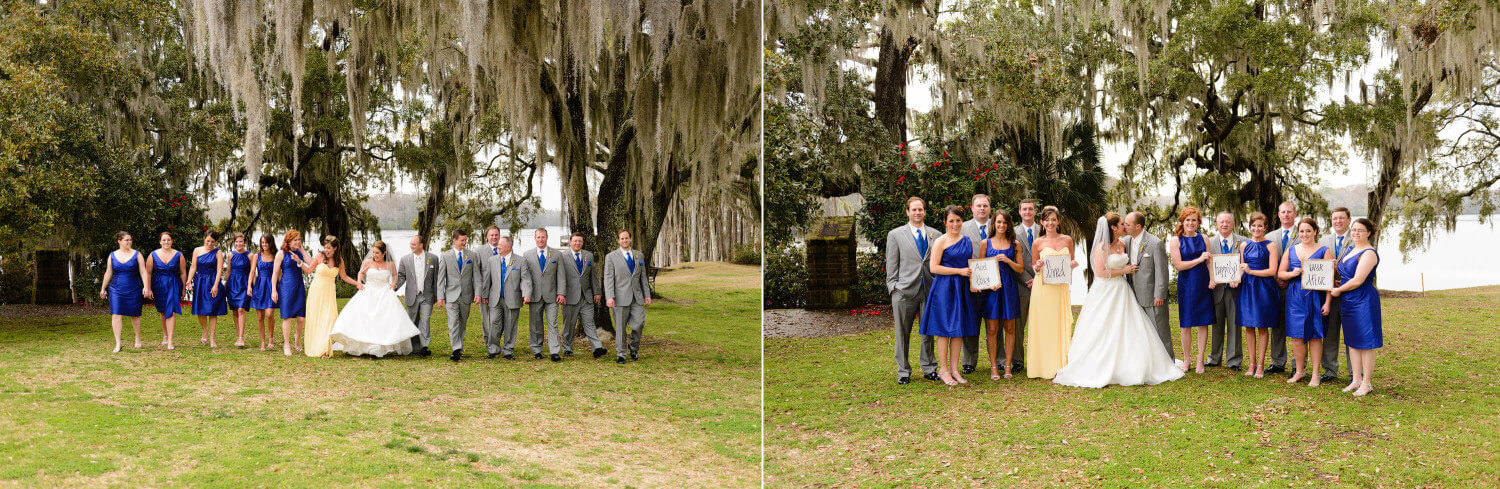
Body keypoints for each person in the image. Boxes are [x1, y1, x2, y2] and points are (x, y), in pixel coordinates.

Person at [1054, 213, 1185, 388]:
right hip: (1105, 291)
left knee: (1130, 326)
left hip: (1123, 290)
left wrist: (1129, 273)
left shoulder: (1124, 243)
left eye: (1127, 223)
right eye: (1122, 223)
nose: (1124, 226)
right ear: (1113, 227)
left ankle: (1136, 362)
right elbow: (1100, 272)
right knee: (1103, 327)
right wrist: (1125, 270)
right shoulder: (1102, 247)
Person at [884, 197, 940, 384]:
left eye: (920, 209)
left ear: (925, 211)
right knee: (902, 333)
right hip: (904, 292)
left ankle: (929, 367)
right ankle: (903, 371)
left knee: (928, 333)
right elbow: (891, 264)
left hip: (929, 290)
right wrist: (893, 288)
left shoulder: (936, 235)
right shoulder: (896, 235)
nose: (917, 212)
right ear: (907, 212)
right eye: (914, 210)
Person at [330, 240, 419, 357]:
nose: (375, 255)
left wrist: (394, 284)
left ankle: (380, 347)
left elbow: (395, 275)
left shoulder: (390, 264)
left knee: (383, 319)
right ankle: (366, 346)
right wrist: (359, 283)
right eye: (373, 253)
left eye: (377, 253)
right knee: (367, 319)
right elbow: (360, 274)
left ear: (384, 253)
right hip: (369, 292)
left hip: (384, 293)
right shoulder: (368, 262)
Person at [920, 206, 977, 386]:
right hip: (944, 289)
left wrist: (975, 283)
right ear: (945, 222)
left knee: (959, 330)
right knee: (944, 331)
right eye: (951, 220)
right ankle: (943, 370)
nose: (955, 224)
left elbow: (971, 266)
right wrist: (959, 271)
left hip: (962, 288)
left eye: (958, 220)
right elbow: (934, 268)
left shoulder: (967, 241)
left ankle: (954, 369)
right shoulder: (940, 241)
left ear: (962, 221)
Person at [1330, 218, 1381, 396]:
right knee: (1352, 341)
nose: (1356, 233)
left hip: (1363, 300)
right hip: (1348, 299)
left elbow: (1358, 280)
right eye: (1353, 230)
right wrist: (1338, 278)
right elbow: (1347, 275)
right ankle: (1356, 380)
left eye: (1360, 230)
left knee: (1366, 342)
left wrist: (1338, 290)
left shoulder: (1369, 253)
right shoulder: (1351, 249)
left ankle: (1366, 383)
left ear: (1369, 232)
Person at [1026, 206, 1076, 380]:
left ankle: (1061, 363)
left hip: (1060, 287)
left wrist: (1073, 266)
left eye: (1053, 219)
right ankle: (1041, 366)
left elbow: (1070, 261)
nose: (1050, 223)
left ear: (1059, 221)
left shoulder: (1067, 240)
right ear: (1041, 222)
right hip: (1043, 288)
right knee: (1044, 324)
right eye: (1047, 219)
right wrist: (1037, 267)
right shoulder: (1038, 242)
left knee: (1058, 323)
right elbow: (1034, 266)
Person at [1278, 218, 1330, 386]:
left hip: (1315, 297)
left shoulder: (1324, 251)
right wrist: (1293, 273)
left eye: (1308, 230)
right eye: (1301, 231)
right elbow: (1280, 273)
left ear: (1315, 231)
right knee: (1296, 336)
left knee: (1314, 336)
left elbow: (1329, 279)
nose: (1304, 234)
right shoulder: (1291, 250)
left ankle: (1315, 374)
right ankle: (1299, 371)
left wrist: (1327, 302)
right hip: (1295, 297)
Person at [972, 211, 1022, 380]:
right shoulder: (985, 243)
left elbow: (1020, 269)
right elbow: (979, 270)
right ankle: (993, 366)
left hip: (1009, 289)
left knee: (1010, 328)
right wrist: (987, 285)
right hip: (991, 291)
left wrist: (1008, 261)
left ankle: (1007, 366)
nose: (1001, 225)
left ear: (1009, 225)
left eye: (1005, 222)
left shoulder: (1015, 244)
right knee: (992, 329)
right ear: (994, 223)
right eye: (998, 222)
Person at [1121, 212, 1172, 359]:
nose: (1125, 227)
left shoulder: (1155, 243)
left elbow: (1162, 271)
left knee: (1160, 330)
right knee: (1140, 331)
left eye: (1128, 224)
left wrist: (1159, 295)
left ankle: (1168, 361)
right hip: (1132, 295)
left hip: (1152, 296)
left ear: (1138, 226)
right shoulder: (1125, 241)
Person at [1170, 206, 1214, 373]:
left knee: (1203, 323)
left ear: (1198, 222)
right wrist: (1199, 259)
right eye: (1188, 220)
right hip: (1187, 284)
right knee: (1186, 323)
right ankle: (1187, 359)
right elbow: (1179, 265)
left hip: (1203, 282)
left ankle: (1200, 360)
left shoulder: (1204, 238)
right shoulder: (1176, 240)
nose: (1190, 223)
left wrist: (1212, 279)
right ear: (1183, 221)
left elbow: (1209, 261)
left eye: (1194, 220)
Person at [302, 236, 361, 357]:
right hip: (316, 292)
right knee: (317, 319)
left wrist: (357, 283)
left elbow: (344, 277)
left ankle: (325, 348)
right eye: (325, 247)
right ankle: (318, 347)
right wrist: (299, 262)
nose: (326, 250)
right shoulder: (319, 257)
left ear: (335, 248)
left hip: (329, 294)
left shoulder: (339, 260)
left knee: (329, 320)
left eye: (329, 248)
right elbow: (308, 271)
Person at [1237, 212, 1281, 378]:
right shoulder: (1243, 246)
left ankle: (1261, 365)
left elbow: (1272, 271)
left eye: (1260, 226)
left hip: (1263, 288)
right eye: (1253, 226)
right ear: (1250, 227)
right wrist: (1236, 279)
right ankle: (1251, 363)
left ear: (1265, 227)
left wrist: (1251, 271)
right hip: (1247, 288)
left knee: (1262, 326)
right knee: (1248, 326)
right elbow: (1242, 269)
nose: (1256, 229)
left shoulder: (1271, 246)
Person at [1316, 207, 1354, 382]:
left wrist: (1344, 282)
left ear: (1349, 219)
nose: (1338, 221)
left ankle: (1355, 372)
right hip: (1328, 294)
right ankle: (1330, 370)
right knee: (1329, 333)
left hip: (1350, 294)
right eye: (1335, 218)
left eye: (1341, 218)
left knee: (1351, 334)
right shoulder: (1324, 240)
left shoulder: (1356, 239)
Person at [604, 229, 652, 363]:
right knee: (620, 328)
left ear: (630, 239)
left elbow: (643, 277)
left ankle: (634, 347)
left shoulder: (639, 255)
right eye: (622, 238)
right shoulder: (611, 257)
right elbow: (608, 279)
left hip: (637, 297)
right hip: (619, 298)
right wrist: (609, 296)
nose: (624, 240)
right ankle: (621, 354)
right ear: (618, 241)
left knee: (639, 324)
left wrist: (646, 295)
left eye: (627, 238)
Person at [958, 194, 993, 375]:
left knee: (995, 324)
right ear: (972, 208)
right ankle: (969, 361)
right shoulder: (962, 228)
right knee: (971, 323)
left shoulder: (998, 226)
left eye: (985, 205)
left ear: (990, 208)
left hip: (994, 285)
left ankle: (999, 360)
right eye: (978, 206)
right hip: (970, 284)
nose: (982, 208)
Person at [99, 231, 152, 352]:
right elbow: (108, 273)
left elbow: (143, 271)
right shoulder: (112, 255)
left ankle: (137, 337)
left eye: (130, 239)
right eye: (126, 240)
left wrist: (146, 286)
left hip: (134, 288)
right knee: (116, 314)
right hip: (116, 289)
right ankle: (118, 342)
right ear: (119, 241)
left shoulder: (137, 254)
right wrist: (103, 288)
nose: (129, 242)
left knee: (135, 315)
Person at [1263, 201, 1299, 374]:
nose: (1286, 215)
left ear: (1295, 213)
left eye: (1289, 212)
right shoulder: (1269, 237)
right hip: (1275, 287)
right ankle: (1278, 362)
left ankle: (1298, 364)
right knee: (1276, 325)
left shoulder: (1304, 234)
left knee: (1298, 325)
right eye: (1283, 212)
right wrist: (1276, 278)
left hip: (1298, 287)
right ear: (1278, 214)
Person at [1206, 212, 1245, 370]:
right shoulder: (1209, 242)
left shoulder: (1243, 242)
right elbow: (1207, 264)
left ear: (1233, 224)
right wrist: (1211, 278)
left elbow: (1245, 264)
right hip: (1216, 289)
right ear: (1216, 224)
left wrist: (1239, 277)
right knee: (1216, 324)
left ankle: (1234, 360)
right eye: (1221, 222)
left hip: (1235, 290)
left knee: (1235, 325)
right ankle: (1214, 358)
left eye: (1227, 222)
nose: (1224, 225)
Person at [557, 233, 606, 358]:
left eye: (580, 241)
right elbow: (560, 277)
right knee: (569, 325)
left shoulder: (588, 256)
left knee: (589, 323)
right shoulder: (563, 256)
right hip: (569, 297)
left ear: (582, 243)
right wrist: (561, 293)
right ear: (570, 242)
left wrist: (597, 292)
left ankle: (597, 348)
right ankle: (567, 348)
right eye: (575, 241)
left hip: (586, 296)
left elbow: (593, 276)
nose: (577, 243)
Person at [436, 229, 482, 361]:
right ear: (454, 240)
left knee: (462, 323)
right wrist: (440, 296)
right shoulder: (445, 256)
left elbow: (477, 277)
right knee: (453, 322)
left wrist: (478, 293)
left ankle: (459, 347)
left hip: (467, 295)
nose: (464, 242)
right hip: (451, 295)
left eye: (465, 240)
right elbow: (441, 278)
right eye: (462, 240)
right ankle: (455, 348)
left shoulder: (472, 256)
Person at [478, 236, 525, 359]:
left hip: (513, 299)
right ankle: (493, 349)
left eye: (500, 245)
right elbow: (487, 279)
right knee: (493, 323)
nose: (498, 246)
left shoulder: (520, 261)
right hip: (495, 299)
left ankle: (508, 351)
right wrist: (484, 295)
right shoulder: (492, 260)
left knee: (510, 325)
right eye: (498, 244)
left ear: (508, 247)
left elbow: (525, 280)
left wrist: (526, 294)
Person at [393, 234, 439, 357]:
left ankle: (424, 347)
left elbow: (437, 278)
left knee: (425, 320)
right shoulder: (405, 259)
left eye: (414, 244)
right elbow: (401, 276)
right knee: (412, 322)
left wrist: (437, 294)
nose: (411, 246)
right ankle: (414, 347)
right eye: (411, 244)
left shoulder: (433, 258)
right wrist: (395, 286)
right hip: (412, 296)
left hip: (427, 296)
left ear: (421, 245)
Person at [522, 228, 563, 361]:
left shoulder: (556, 254)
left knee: (553, 323)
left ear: (547, 237)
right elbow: (525, 276)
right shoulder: (527, 255)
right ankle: (537, 350)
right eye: (538, 237)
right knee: (535, 324)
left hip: (552, 296)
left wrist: (561, 293)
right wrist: (526, 294)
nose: (541, 240)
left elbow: (561, 276)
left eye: (543, 237)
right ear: (535, 238)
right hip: (534, 296)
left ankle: (554, 351)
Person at [1012, 199, 1040, 373]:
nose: (1028, 212)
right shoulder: (1013, 232)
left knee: (1042, 324)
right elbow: (1013, 259)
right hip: (1021, 285)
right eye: (1024, 209)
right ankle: (1017, 361)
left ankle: (1041, 360)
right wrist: (1027, 280)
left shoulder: (1044, 230)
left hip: (1043, 283)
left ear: (1035, 211)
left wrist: (1038, 279)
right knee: (1018, 325)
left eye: (1030, 209)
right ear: (1020, 212)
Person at [186, 231, 228, 347]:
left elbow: (220, 270)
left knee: (213, 310)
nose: (210, 243)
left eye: (212, 242)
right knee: (201, 310)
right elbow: (193, 267)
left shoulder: (218, 252)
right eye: (208, 241)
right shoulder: (197, 250)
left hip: (213, 281)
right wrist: (189, 280)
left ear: (215, 242)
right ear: (204, 238)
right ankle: (204, 331)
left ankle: (212, 338)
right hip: (200, 282)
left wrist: (215, 285)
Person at [272, 230, 310, 356]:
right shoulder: (281, 254)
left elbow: (311, 264)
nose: (298, 242)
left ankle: (297, 339)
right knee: (287, 317)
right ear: (288, 242)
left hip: (299, 286)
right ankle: (286, 344)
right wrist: (274, 290)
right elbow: (275, 273)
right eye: (295, 240)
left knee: (301, 318)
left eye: (299, 239)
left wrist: (302, 251)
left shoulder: (300, 252)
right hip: (286, 288)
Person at [148, 232, 186, 350]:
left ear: (172, 241)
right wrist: (148, 288)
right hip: (158, 284)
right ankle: (165, 335)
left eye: (168, 240)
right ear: (160, 241)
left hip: (174, 284)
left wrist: (184, 288)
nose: (166, 242)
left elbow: (183, 272)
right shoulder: (153, 254)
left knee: (171, 311)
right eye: (164, 240)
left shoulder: (178, 255)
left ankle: (170, 340)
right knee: (163, 311)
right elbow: (148, 273)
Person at [246, 234, 279, 350]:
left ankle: (271, 338)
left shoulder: (276, 256)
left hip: (271, 286)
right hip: (259, 286)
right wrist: (249, 285)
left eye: (266, 242)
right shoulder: (257, 256)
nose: (264, 245)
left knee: (269, 314)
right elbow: (251, 272)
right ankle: (263, 341)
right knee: (260, 316)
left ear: (271, 243)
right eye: (262, 242)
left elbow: (279, 274)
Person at [224, 233, 253, 347]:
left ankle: (241, 338)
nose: (238, 244)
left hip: (244, 284)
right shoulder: (230, 255)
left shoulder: (250, 255)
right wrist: (224, 284)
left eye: (241, 241)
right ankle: (238, 336)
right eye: (236, 242)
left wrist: (251, 285)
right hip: (232, 284)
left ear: (244, 242)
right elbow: (228, 271)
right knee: (235, 310)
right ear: (234, 242)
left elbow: (252, 272)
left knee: (241, 309)